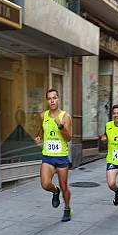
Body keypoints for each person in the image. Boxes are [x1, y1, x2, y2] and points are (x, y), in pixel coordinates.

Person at [34, 88, 73, 222]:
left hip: (61, 157)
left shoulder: (65, 117)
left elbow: (68, 138)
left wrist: (61, 127)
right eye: (49, 98)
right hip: (48, 156)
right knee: (45, 184)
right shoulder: (42, 116)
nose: (52, 101)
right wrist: (38, 137)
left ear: (58, 99)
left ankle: (67, 208)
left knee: (64, 186)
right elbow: (40, 131)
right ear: (46, 101)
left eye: (54, 98)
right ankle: (55, 191)